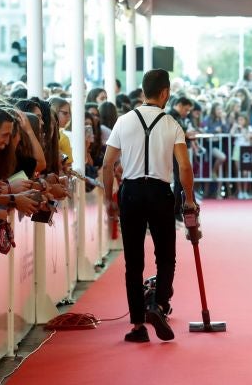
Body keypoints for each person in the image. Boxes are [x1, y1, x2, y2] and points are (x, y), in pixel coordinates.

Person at [102, 69, 197, 343]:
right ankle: (158, 303)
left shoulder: (123, 122)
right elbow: (185, 166)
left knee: (133, 261)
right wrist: (188, 198)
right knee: (166, 255)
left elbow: (108, 164)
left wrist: (110, 199)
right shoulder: (171, 125)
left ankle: (137, 326)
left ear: (144, 91)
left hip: (130, 192)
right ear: (165, 93)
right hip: (159, 192)